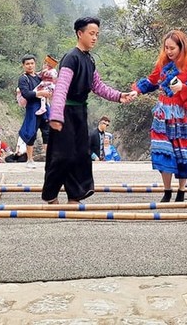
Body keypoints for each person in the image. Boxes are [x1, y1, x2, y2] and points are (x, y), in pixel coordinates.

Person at [44, 17, 135, 204]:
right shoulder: (71, 58)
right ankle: (51, 195)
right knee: (62, 155)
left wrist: (119, 96)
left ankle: (75, 195)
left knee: (80, 155)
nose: (95, 38)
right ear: (80, 33)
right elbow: (61, 88)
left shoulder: (89, 60)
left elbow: (98, 86)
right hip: (65, 113)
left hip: (80, 112)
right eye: (91, 34)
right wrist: (56, 116)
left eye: (97, 35)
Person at [134, 29, 187, 203]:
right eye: (166, 48)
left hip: (183, 115)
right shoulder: (163, 63)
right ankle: (167, 190)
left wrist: (183, 87)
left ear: (181, 47)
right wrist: (136, 91)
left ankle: (181, 191)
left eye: (172, 48)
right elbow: (151, 81)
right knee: (162, 150)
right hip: (163, 113)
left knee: (183, 154)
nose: (169, 51)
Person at [17, 54, 51, 169]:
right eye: (27, 64)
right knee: (31, 133)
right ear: (23, 65)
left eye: (32, 63)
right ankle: (30, 159)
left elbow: (49, 84)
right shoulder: (23, 78)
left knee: (47, 132)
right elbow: (26, 94)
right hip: (32, 108)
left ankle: (49, 159)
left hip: (45, 107)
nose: (30, 66)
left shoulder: (39, 77)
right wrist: (40, 93)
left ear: (35, 64)